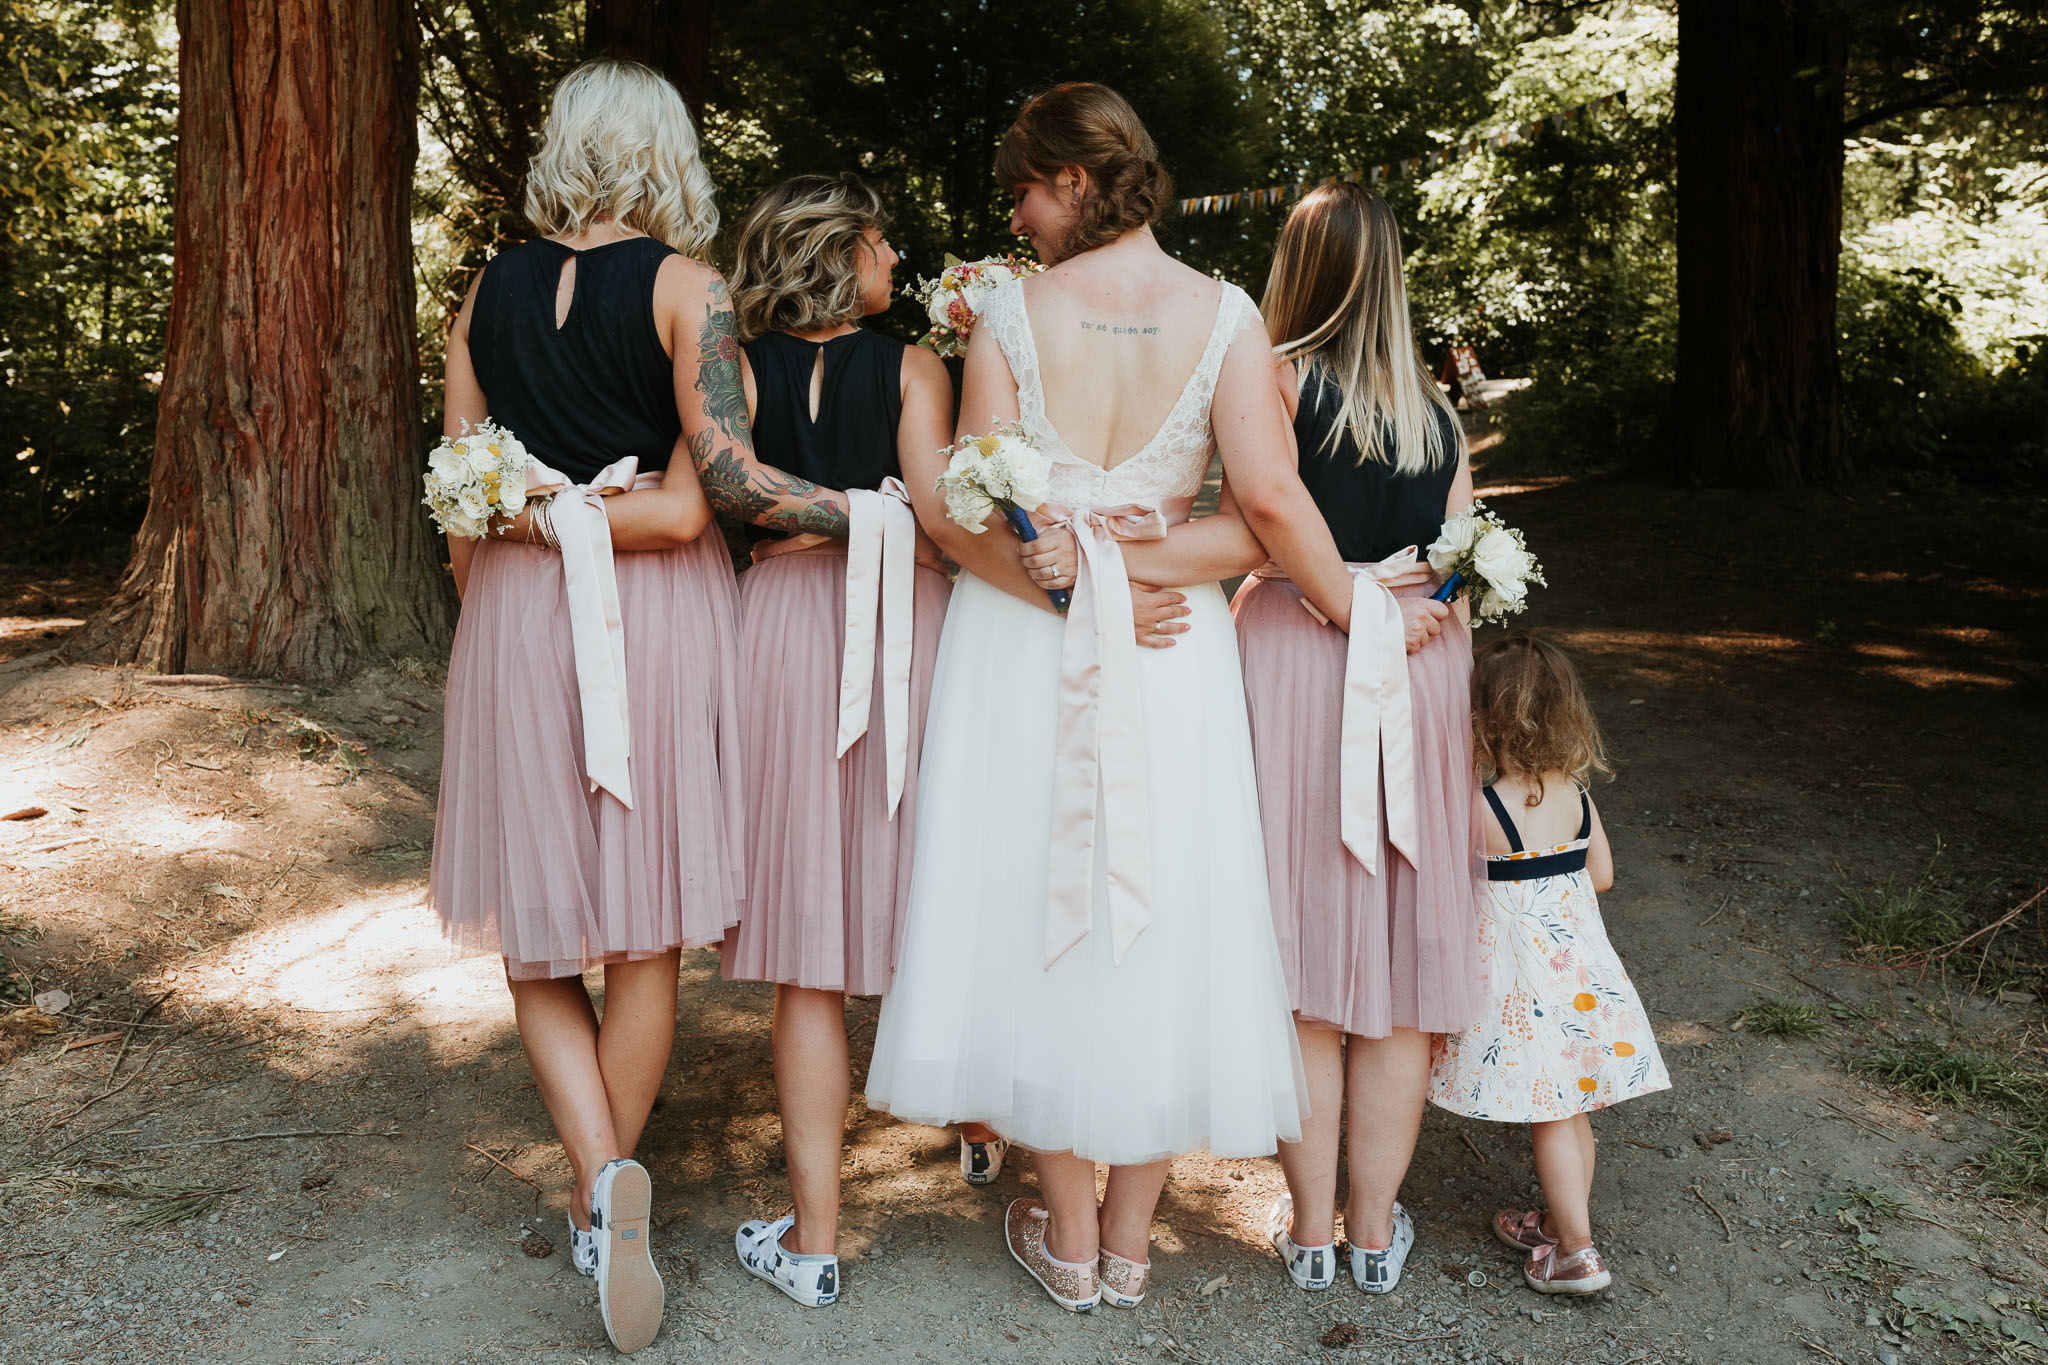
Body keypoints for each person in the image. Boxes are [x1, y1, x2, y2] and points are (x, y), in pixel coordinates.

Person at [865, 82, 1355, 1313]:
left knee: (1036, 898)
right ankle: (1127, 1247)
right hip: (1165, 644)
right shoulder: (1227, 316)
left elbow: (963, 513)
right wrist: (1143, 570)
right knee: (1156, 903)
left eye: (1025, 189)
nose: (1018, 216)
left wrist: (1078, 573)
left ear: (1075, 182)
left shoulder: (1012, 319)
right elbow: (1264, 517)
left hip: (1024, 643)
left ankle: (1070, 1237)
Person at [428, 60, 845, 1354]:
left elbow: (455, 496)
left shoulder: (482, 293)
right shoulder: (690, 289)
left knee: (535, 939)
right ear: (666, 157)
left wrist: (511, 567)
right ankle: (605, 1201)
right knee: (647, 929)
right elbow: (693, 501)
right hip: (650, 616)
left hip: (510, 601)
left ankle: (602, 1182)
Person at [1231, 182, 1484, 1295]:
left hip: (1299, 653)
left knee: (1304, 960)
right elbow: (1468, 557)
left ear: (1301, 269)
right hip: (1422, 664)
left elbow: (1256, 520)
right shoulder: (1436, 412)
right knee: (1391, 963)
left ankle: (1308, 1230)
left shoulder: (1276, 379)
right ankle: (1375, 1234)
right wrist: (1421, 612)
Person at [716, 174, 954, 1307]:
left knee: (808, 952)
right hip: (905, 619)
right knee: (932, 883)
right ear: (846, 251)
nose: (896, 257)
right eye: (882, 239)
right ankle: (983, 1126)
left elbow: (725, 498)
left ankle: (812, 1245)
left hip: (776, 625)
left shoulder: (737, 375)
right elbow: (941, 517)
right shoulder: (913, 367)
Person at [1430, 633, 1670, 1294]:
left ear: (1480, 720)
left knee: (1553, 1113)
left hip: (1522, 986)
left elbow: (1450, 887)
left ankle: (1578, 1253)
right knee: (1570, 1109)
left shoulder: (1480, 809)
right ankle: (1561, 1230)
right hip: (1578, 978)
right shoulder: (1577, 798)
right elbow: (1604, 875)